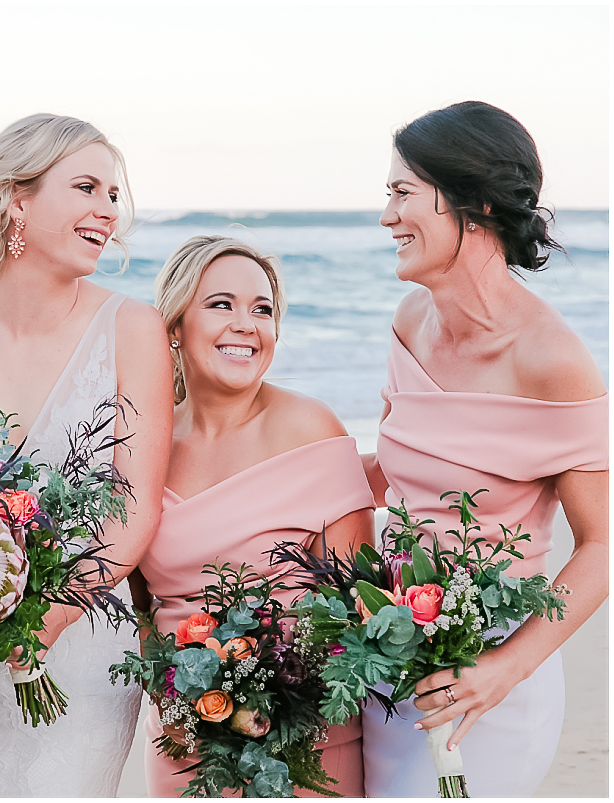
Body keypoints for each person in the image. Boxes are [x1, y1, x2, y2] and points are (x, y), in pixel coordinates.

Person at [0, 113, 173, 796]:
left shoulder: (132, 328)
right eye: (86, 188)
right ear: (17, 196)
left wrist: (45, 621)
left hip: (76, 649)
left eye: (112, 194)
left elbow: (134, 510)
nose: (108, 210)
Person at [360, 101, 609, 797]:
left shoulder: (554, 361)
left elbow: (599, 547)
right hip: (388, 651)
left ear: (474, 204)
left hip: (491, 675)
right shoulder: (410, 320)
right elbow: (391, 473)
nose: (387, 217)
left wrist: (505, 667)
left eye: (402, 193)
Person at [133, 235, 373, 796]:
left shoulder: (311, 429)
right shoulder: (145, 444)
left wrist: (276, 694)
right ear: (174, 328)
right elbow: (139, 602)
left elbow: (358, 598)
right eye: (221, 304)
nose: (246, 323)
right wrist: (169, 694)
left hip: (306, 735)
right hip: (184, 740)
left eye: (261, 310)